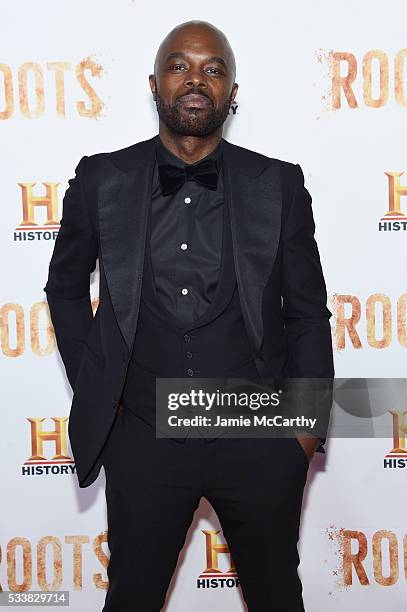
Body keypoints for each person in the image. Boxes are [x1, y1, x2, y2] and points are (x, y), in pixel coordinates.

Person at [44, 19, 334, 612]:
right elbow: (65, 287)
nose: (195, 79)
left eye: (212, 68)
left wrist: (301, 436)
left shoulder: (278, 184)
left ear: (233, 91)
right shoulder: (103, 179)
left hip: (257, 437)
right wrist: (99, 379)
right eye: (179, 66)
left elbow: (307, 314)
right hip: (143, 440)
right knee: (131, 600)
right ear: (154, 84)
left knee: (279, 599)